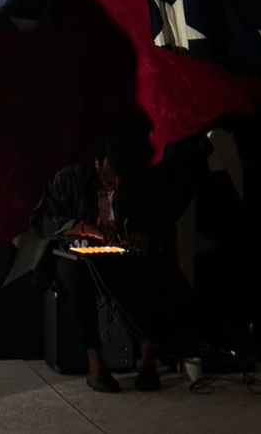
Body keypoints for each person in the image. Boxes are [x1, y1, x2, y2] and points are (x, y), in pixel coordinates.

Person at [31, 124, 168, 393]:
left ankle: (147, 361)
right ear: (97, 164)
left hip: (121, 260)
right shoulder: (67, 181)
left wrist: (147, 233)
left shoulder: (139, 183)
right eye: (109, 182)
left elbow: (162, 221)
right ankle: (95, 364)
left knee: (142, 274)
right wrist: (81, 227)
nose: (115, 186)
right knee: (82, 278)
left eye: (120, 184)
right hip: (75, 260)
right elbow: (40, 221)